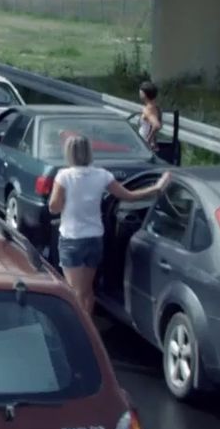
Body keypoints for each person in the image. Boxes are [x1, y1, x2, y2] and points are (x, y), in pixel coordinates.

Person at [48, 134, 170, 315]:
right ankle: (88, 326)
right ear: (89, 152)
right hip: (95, 239)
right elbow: (129, 196)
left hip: (72, 239)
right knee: (87, 290)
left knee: (75, 292)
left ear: (69, 154)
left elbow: (54, 208)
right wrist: (157, 188)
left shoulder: (64, 176)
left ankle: (81, 332)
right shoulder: (102, 175)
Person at [137, 81, 163, 150]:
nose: (139, 93)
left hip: (145, 145)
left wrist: (148, 140)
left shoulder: (147, 109)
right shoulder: (156, 108)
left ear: (144, 94)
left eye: (140, 91)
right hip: (151, 145)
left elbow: (157, 125)